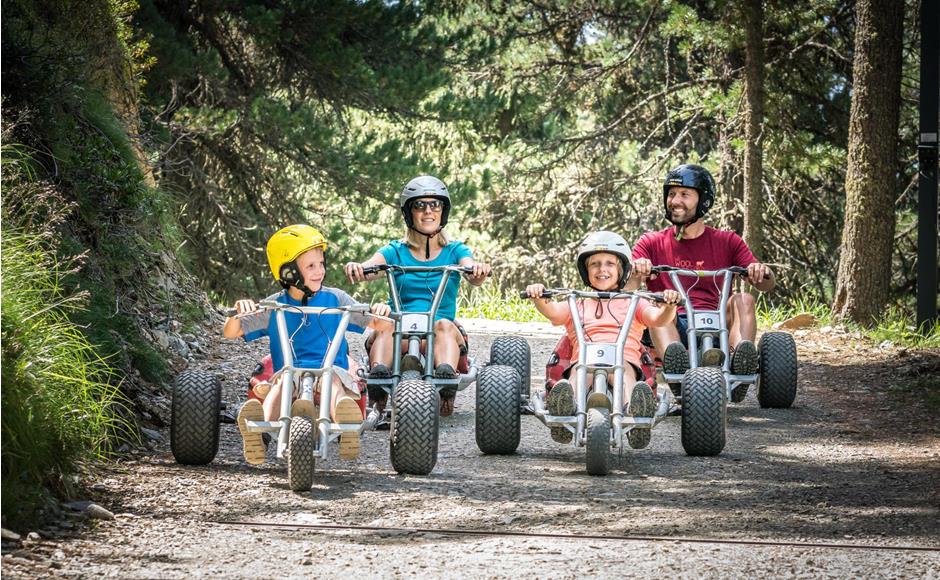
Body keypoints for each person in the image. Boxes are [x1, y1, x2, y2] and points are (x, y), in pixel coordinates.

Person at [223, 224, 390, 465]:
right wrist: (238, 312)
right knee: (281, 386)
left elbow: (380, 325)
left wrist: (381, 311)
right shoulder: (275, 305)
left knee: (332, 382)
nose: (319, 271)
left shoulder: (336, 299)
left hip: (331, 371)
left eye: (321, 264)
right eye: (310, 266)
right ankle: (259, 435)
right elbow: (231, 332)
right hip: (288, 373)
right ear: (289, 272)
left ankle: (347, 422)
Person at [344, 175, 491, 417]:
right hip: (401, 330)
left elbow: (471, 272)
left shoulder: (456, 250)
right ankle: (378, 381)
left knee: (443, 324)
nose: (428, 211)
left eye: (435, 205)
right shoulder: (395, 251)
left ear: (443, 211)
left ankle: (446, 384)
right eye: (420, 205)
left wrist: (478, 270)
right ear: (408, 212)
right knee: (388, 325)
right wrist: (357, 268)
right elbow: (369, 268)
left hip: (440, 330)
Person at [523, 231, 681, 449]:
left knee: (624, 373)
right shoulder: (577, 302)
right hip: (584, 362)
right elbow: (554, 313)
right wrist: (539, 297)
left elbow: (658, 319)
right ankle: (564, 412)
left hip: (624, 361)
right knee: (579, 374)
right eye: (594, 264)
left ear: (622, 269)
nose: (602, 269)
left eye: (609, 263)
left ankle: (636, 416)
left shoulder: (634, 301)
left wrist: (669, 306)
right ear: (585, 271)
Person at [631, 164, 775, 377]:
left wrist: (760, 271)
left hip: (719, 323)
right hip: (674, 324)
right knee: (659, 303)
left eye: (684, 194)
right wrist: (637, 270)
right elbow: (627, 287)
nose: (675, 201)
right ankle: (677, 366)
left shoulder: (728, 241)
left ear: (703, 200)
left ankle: (738, 362)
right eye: (671, 194)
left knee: (743, 299)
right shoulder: (651, 242)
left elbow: (766, 284)